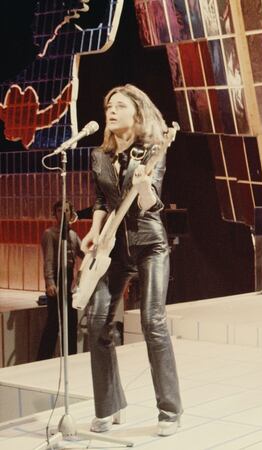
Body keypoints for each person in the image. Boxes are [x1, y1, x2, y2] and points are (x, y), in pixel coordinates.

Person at [81, 84, 182, 436]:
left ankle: (169, 411)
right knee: (96, 324)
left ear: (137, 114)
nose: (111, 111)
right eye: (109, 105)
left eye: (120, 106)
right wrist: (95, 230)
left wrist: (141, 186)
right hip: (113, 248)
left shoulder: (153, 149)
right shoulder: (99, 155)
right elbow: (100, 200)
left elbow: (150, 205)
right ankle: (108, 407)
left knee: (153, 323)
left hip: (149, 243)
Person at [37, 200, 83, 360]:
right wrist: (50, 282)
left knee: (71, 323)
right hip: (57, 280)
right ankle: (42, 359)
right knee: (53, 323)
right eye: (59, 210)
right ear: (54, 213)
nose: (63, 214)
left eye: (67, 211)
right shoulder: (50, 234)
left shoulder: (72, 235)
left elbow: (83, 253)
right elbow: (48, 260)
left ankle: (71, 358)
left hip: (69, 281)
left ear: (71, 213)